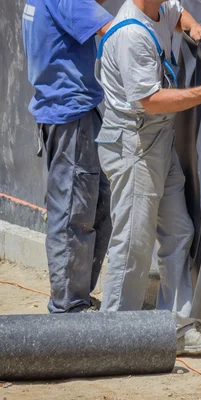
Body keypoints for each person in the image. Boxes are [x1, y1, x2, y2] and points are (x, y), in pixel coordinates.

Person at [95, 0, 201, 355]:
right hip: (134, 145)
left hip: (157, 141)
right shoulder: (132, 33)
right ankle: (112, 339)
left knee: (179, 230)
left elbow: (176, 13)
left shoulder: (159, 7)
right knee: (134, 244)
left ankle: (175, 329)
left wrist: (192, 26)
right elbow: (151, 100)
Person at [22, 0, 113, 313]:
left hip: (68, 111)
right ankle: (69, 307)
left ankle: (76, 297)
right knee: (75, 212)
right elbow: (114, 31)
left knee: (98, 203)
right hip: (71, 115)